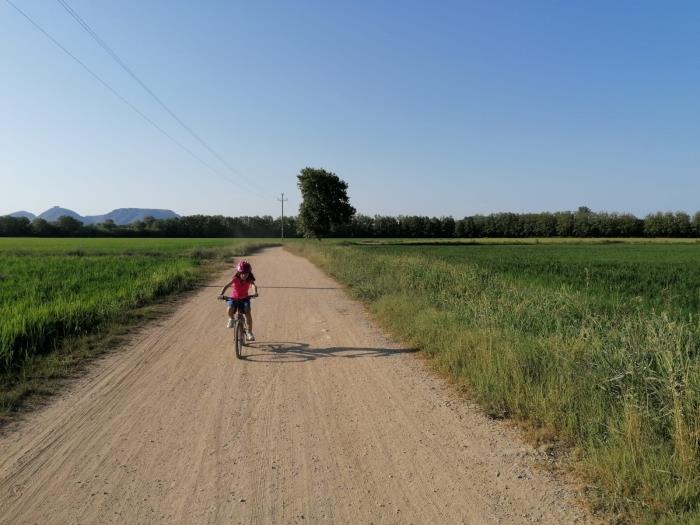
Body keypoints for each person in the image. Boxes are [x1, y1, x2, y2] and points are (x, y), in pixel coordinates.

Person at [218, 260, 258, 341]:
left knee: (247, 312)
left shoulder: (249, 279)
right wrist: (221, 294)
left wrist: (255, 292)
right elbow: (226, 286)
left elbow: (253, 285)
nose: (244, 275)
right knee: (230, 308)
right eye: (242, 273)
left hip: (245, 298)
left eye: (246, 273)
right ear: (239, 272)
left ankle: (249, 332)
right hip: (234, 298)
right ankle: (231, 319)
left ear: (249, 273)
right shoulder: (235, 278)